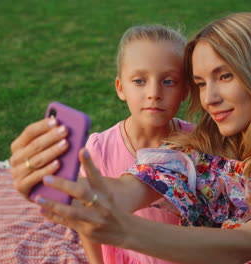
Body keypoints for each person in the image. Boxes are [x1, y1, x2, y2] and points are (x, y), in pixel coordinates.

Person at [10, 12, 251, 263]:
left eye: (225, 76)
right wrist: (60, 183)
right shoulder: (201, 151)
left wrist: (123, 230)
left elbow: (247, 244)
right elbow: (126, 188)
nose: (209, 98)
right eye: (202, 83)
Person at [77, 24, 193, 264]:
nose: (154, 93)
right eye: (139, 81)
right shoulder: (99, 150)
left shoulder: (197, 144)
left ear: (185, 90)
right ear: (121, 88)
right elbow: (87, 220)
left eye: (169, 82)